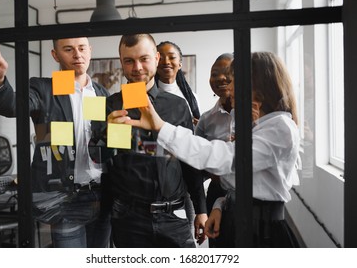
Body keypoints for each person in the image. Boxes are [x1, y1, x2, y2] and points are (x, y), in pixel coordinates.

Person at [109, 51, 301, 247]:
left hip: (261, 231)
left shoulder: (280, 128)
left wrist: (160, 127)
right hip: (231, 219)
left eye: (234, 79)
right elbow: (239, 183)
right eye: (129, 60)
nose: (229, 86)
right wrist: (220, 206)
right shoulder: (113, 103)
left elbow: (221, 159)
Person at [0, 38, 112, 248]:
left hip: (101, 195)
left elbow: (104, 141)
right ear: (55, 55)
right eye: (68, 49)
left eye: (82, 48)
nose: (77, 54)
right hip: (65, 198)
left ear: (90, 50)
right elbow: (12, 107)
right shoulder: (44, 88)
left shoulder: (101, 93)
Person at [89, 34, 207, 247]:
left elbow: (190, 161)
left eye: (144, 59)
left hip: (174, 216)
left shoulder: (179, 105)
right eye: (129, 61)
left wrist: (201, 209)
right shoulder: (107, 105)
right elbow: (97, 160)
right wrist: (107, 135)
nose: (137, 67)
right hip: (128, 219)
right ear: (121, 62)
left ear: (156, 57)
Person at [155, 40, 203, 243]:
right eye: (161, 57)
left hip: (183, 172)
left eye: (172, 57)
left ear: (180, 63)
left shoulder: (189, 97)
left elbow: (196, 139)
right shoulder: (147, 95)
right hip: (157, 171)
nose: (166, 61)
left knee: (184, 236)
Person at [195, 53, 234, 247]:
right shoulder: (206, 119)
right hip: (217, 190)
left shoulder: (256, 113)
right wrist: (212, 171)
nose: (220, 78)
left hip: (250, 193)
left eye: (226, 72)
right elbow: (196, 158)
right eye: (214, 73)